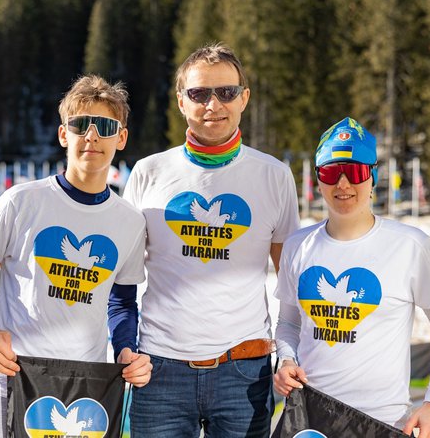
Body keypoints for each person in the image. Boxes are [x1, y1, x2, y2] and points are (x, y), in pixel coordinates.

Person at [0, 75, 152, 437]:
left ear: (121, 138)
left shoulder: (130, 222)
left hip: (85, 389)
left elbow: (121, 303)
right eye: (80, 125)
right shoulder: (22, 202)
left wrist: (126, 350)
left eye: (104, 126)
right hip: (12, 380)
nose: (91, 136)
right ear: (63, 135)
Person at [123, 43, 300, 437]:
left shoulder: (273, 176)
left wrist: (289, 356)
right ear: (182, 101)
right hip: (159, 370)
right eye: (199, 93)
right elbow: (120, 279)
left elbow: (291, 285)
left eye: (226, 92)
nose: (213, 104)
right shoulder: (148, 172)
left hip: (244, 372)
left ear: (244, 99)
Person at [273, 117, 430, 438]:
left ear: (372, 176)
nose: (343, 185)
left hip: (383, 421)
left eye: (356, 172)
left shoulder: (410, 245)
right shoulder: (297, 245)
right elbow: (289, 324)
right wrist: (286, 361)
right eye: (332, 172)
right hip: (311, 417)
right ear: (319, 178)